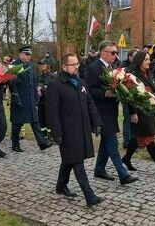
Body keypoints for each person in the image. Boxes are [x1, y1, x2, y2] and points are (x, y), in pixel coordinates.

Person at [46, 53, 105, 208]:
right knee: (77, 162)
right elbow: (52, 111)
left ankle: (61, 186)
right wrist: (56, 133)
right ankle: (89, 196)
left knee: (69, 159)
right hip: (67, 131)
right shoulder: (55, 84)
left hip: (82, 129)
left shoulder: (80, 82)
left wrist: (96, 122)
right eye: (73, 64)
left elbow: (90, 103)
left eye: (77, 64)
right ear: (64, 66)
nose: (77, 67)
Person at [85, 41, 138, 185]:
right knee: (112, 142)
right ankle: (123, 174)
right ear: (103, 53)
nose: (115, 55)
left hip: (111, 110)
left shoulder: (114, 67)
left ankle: (99, 169)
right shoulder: (93, 68)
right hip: (100, 111)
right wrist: (105, 93)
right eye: (112, 52)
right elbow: (88, 90)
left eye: (116, 52)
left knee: (106, 142)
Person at [121, 51, 155, 176]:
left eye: (149, 59)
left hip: (150, 110)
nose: (149, 61)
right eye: (146, 59)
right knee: (149, 138)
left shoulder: (148, 73)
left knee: (138, 137)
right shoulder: (132, 75)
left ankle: (126, 159)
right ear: (139, 61)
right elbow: (129, 97)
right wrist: (133, 113)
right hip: (140, 111)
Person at [9, 46, 53, 152]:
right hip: (20, 98)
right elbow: (11, 84)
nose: (29, 56)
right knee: (17, 123)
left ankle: (41, 143)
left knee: (35, 121)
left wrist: (36, 95)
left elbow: (33, 81)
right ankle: (15, 144)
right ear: (21, 54)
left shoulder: (30, 65)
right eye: (27, 54)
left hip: (30, 99)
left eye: (30, 55)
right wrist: (16, 98)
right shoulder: (15, 65)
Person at [119, 48, 139, 148]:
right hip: (126, 95)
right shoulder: (124, 66)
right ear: (130, 57)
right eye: (135, 57)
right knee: (127, 117)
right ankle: (127, 141)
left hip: (136, 94)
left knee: (136, 117)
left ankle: (135, 140)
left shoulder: (138, 65)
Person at [37, 58, 55, 139]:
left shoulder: (52, 76)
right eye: (41, 64)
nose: (41, 66)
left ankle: (51, 136)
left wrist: (42, 90)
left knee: (49, 119)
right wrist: (37, 90)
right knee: (41, 119)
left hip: (48, 102)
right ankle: (43, 135)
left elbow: (51, 89)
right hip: (40, 101)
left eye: (43, 64)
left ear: (48, 65)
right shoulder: (39, 76)